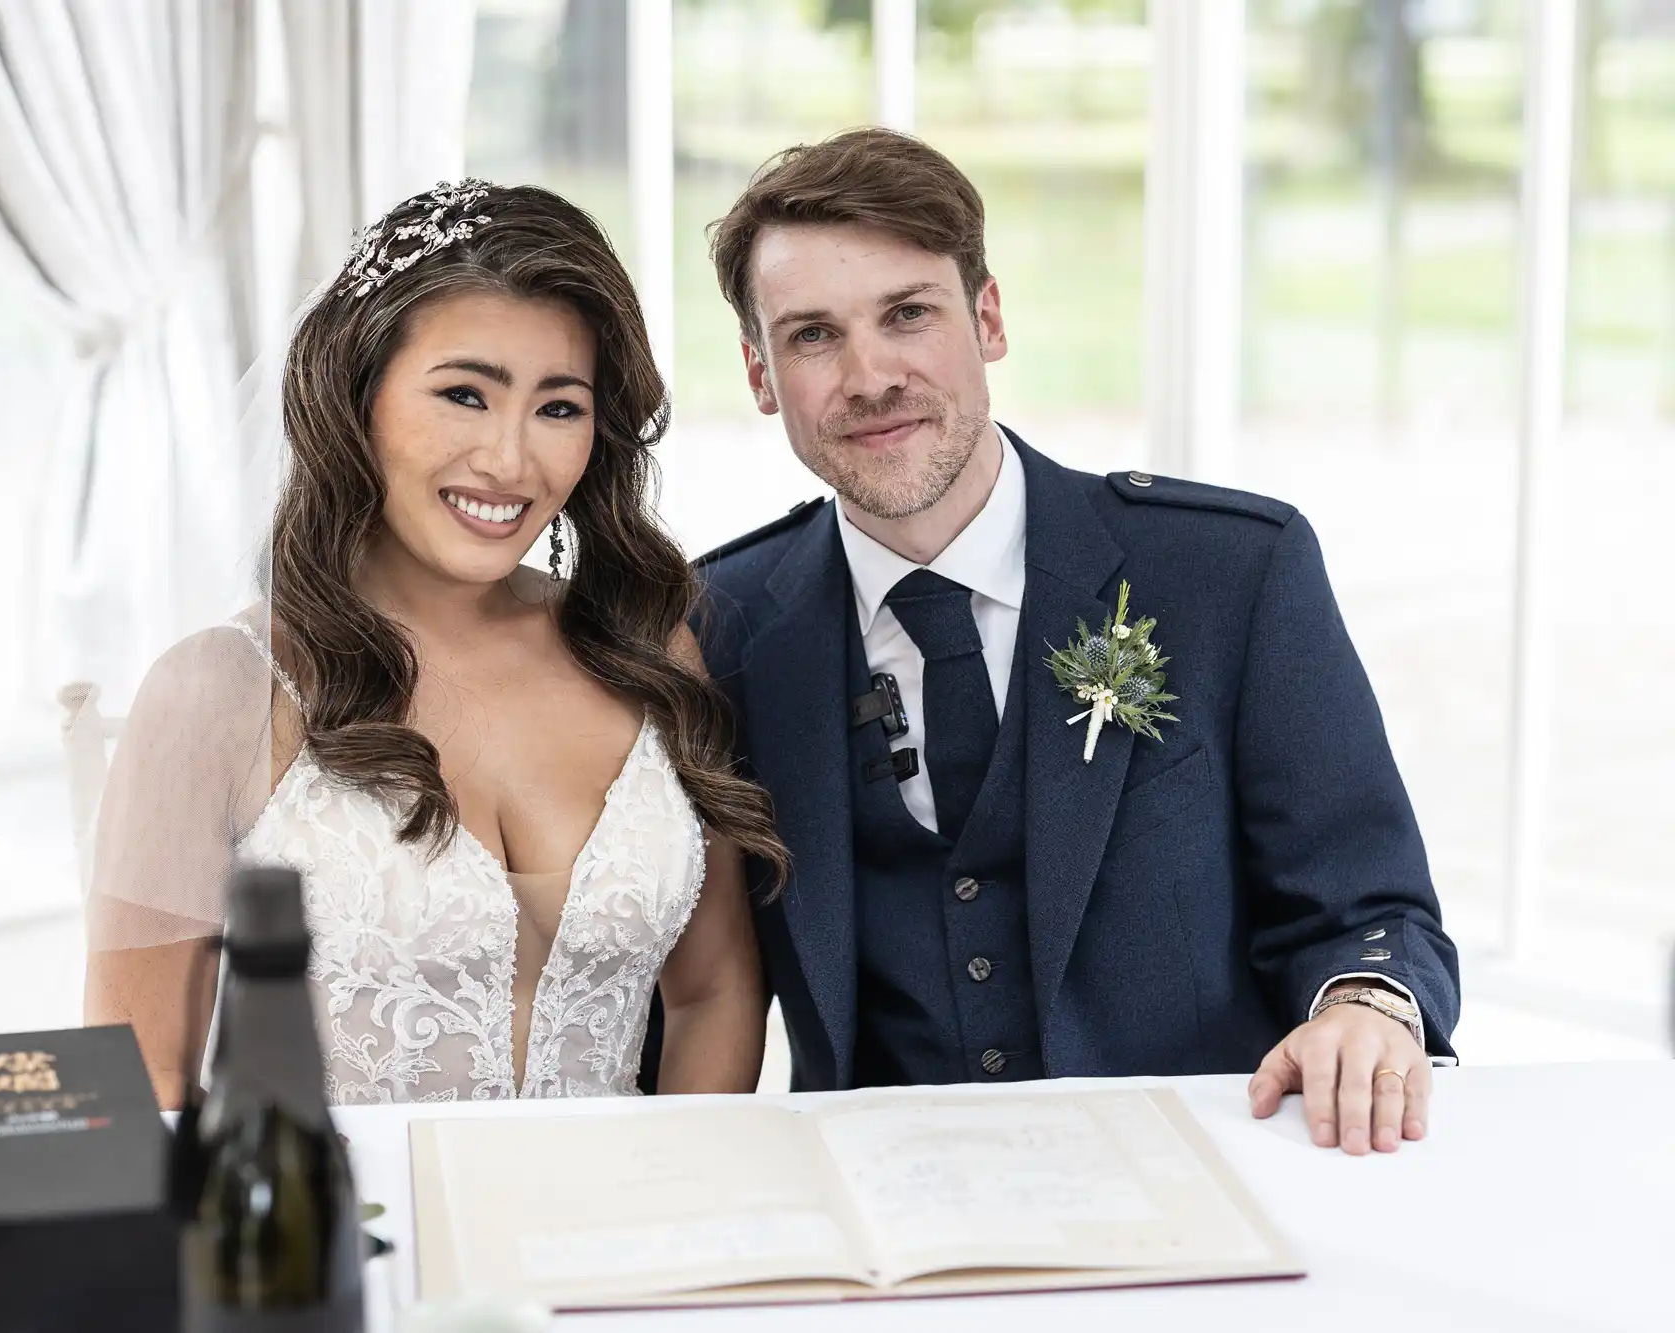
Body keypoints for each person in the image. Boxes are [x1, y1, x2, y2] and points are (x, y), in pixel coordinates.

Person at [691, 129, 1459, 1155]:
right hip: (888, 1211)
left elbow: (1367, 908)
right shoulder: (719, 626)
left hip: (1211, 1182)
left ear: (987, 317)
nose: (869, 377)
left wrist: (1366, 1005)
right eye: (813, 336)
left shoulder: (1227, 570)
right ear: (758, 372)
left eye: (907, 314)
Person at [83, 180, 783, 1108]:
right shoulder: (219, 692)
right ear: (356, 393)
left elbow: (713, 995)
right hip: (351, 1243)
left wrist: (674, 1224)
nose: (509, 460)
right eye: (465, 394)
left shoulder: (647, 652)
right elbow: (141, 1079)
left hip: (624, 1233)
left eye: (559, 407)